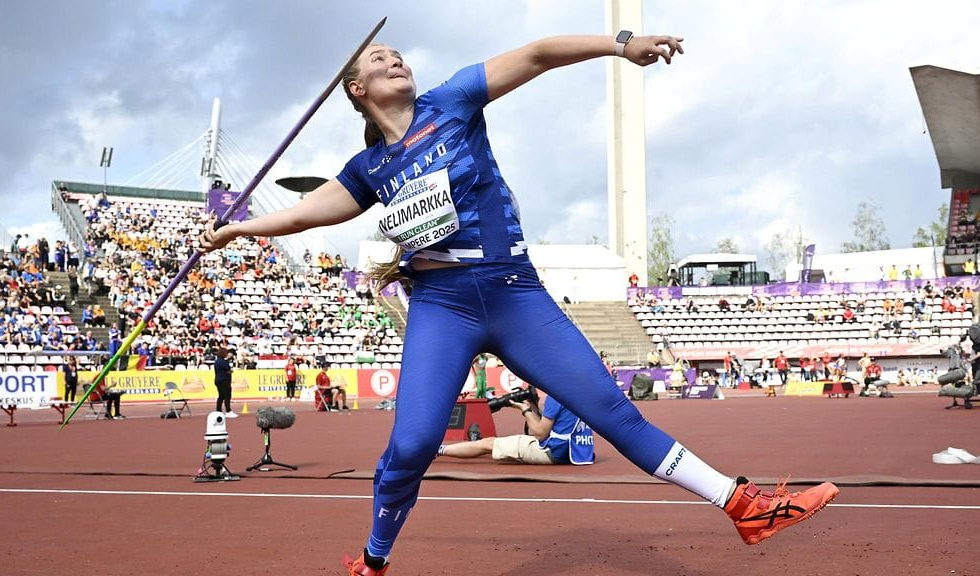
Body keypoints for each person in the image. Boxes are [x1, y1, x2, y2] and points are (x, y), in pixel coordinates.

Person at [200, 31, 838, 576]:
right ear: (357, 92)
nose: (395, 61)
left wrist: (621, 47)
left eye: (398, 54)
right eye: (378, 60)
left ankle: (743, 505)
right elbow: (308, 213)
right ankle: (373, 559)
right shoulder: (367, 167)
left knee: (612, 412)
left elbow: (536, 55)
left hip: (514, 293)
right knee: (416, 441)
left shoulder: (450, 102)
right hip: (443, 307)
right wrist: (237, 228)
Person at [436, 394, 593, 465]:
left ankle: (439, 450)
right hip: (578, 451)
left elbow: (539, 433)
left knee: (488, 443)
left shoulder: (556, 395)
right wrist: (533, 408)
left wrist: (525, 410)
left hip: (555, 452)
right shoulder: (579, 393)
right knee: (503, 447)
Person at [213, 346, 236, 418]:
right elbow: (228, 370)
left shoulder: (217, 361)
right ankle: (228, 411)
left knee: (221, 396)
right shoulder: (223, 362)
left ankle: (218, 410)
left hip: (218, 380)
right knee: (227, 396)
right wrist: (231, 371)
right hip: (224, 380)